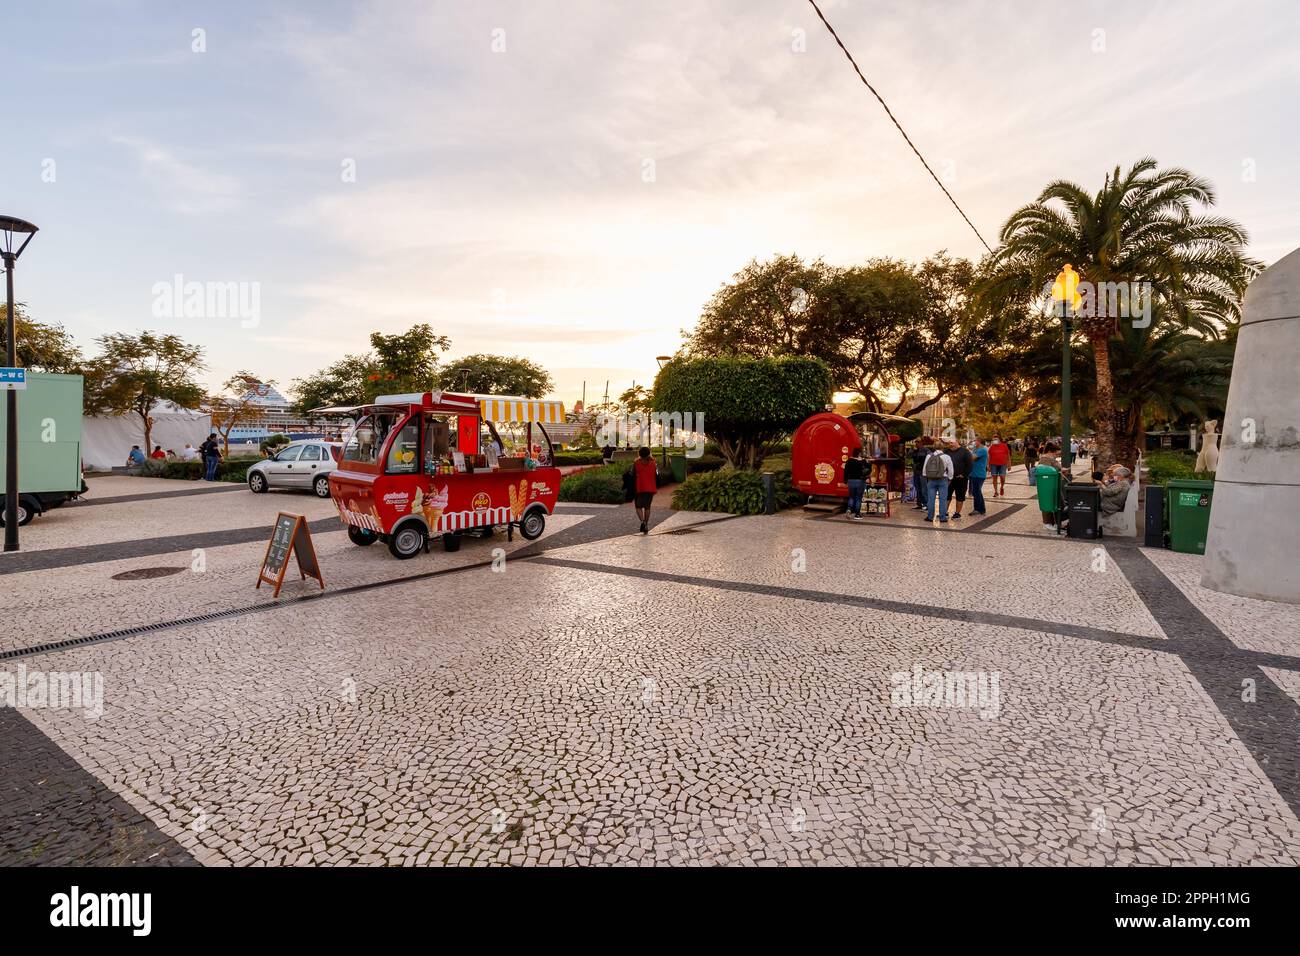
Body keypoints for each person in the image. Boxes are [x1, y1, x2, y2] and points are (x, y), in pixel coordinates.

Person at [921, 441, 953, 523]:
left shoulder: (929, 456)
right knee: (943, 499)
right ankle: (942, 518)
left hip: (931, 480)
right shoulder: (947, 457)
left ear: (934, 447)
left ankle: (930, 517)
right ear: (943, 448)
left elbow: (924, 469)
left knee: (931, 499)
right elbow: (951, 470)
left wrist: (927, 477)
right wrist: (950, 478)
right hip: (943, 479)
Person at [945, 438, 972, 521]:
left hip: (961, 479)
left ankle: (957, 513)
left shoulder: (965, 452)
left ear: (957, 442)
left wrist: (964, 475)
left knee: (960, 496)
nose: (950, 444)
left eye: (952, 443)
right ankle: (944, 512)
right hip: (949, 478)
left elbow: (970, 465)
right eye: (949, 443)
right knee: (947, 496)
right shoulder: (946, 452)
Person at [632, 445, 657, 534]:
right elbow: (656, 474)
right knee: (647, 507)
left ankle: (642, 522)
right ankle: (646, 524)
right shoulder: (653, 463)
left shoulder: (636, 463)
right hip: (650, 488)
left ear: (639, 454)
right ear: (649, 453)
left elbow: (633, 474)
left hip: (639, 488)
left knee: (638, 507)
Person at [910, 436, 933, 510]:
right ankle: (919, 504)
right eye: (916, 442)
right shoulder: (915, 450)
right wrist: (912, 450)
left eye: (918, 442)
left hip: (923, 473)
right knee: (917, 488)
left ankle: (926, 504)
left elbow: (931, 460)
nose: (916, 443)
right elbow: (908, 456)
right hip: (916, 472)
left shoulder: (926, 450)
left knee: (924, 489)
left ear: (922, 443)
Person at [843, 447, 866, 520]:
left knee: (851, 497)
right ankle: (857, 514)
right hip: (860, 481)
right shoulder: (862, 461)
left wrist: (845, 481)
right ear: (859, 453)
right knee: (858, 498)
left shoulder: (849, 461)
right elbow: (866, 470)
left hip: (851, 481)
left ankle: (849, 510)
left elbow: (845, 471)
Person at [968, 437, 989, 515]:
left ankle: (979, 509)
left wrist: (968, 451)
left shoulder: (982, 450)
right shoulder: (975, 449)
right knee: (976, 491)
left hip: (979, 474)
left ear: (979, 442)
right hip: (973, 473)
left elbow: (973, 457)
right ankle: (980, 509)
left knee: (976, 491)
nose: (974, 442)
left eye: (975, 441)